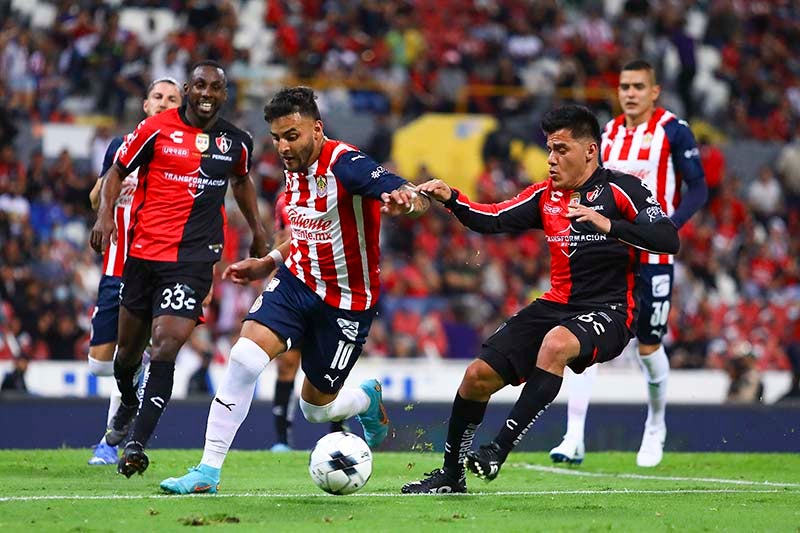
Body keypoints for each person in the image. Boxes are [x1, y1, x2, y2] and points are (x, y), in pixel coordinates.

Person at [160, 86, 430, 494]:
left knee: (316, 408)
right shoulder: (293, 168)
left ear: (317, 129)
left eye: (292, 135)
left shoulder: (347, 165)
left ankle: (365, 400)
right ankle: (207, 472)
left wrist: (407, 201)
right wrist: (268, 262)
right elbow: (306, 234)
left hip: (347, 302)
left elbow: (405, 192)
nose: (284, 146)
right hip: (297, 282)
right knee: (244, 358)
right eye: (277, 137)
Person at [401, 104, 679, 494]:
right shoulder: (545, 196)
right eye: (549, 149)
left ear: (589, 151)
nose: (551, 159)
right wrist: (452, 198)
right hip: (557, 305)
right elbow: (492, 218)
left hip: (612, 311)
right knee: (476, 377)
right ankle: (451, 475)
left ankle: (498, 450)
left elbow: (670, 239)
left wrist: (610, 225)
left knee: (556, 344)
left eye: (561, 149)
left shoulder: (623, 190)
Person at [89, 60, 269, 478]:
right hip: (143, 256)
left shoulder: (235, 142)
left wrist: (258, 232)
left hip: (192, 262)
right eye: (200, 86)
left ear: (225, 95)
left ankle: (136, 444)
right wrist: (104, 217)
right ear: (189, 89)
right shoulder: (155, 130)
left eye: (216, 88)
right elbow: (117, 169)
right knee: (124, 358)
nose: (208, 94)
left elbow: (241, 181)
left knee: (166, 345)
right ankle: (128, 403)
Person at [549, 59, 707, 468]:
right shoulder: (607, 134)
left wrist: (668, 225)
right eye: (624, 86)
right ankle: (574, 436)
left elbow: (698, 187)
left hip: (652, 254)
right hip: (609, 252)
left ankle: (656, 425)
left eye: (638, 86)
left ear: (654, 91)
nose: (630, 93)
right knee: (584, 335)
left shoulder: (674, 130)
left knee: (648, 344)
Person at [85, 77, 183, 466]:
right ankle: (134, 379)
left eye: (171, 99)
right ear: (145, 105)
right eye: (157, 97)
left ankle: (110, 443)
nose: (163, 103)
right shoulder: (121, 146)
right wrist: (108, 190)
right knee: (99, 364)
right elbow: (95, 198)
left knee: (131, 349)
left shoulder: (181, 153)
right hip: (115, 266)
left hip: (154, 266)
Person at [268, 190, 343, 453]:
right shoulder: (284, 201)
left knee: (328, 370)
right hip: (294, 289)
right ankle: (281, 440)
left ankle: (338, 435)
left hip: (329, 291)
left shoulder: (336, 193)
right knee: (287, 363)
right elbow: (280, 237)